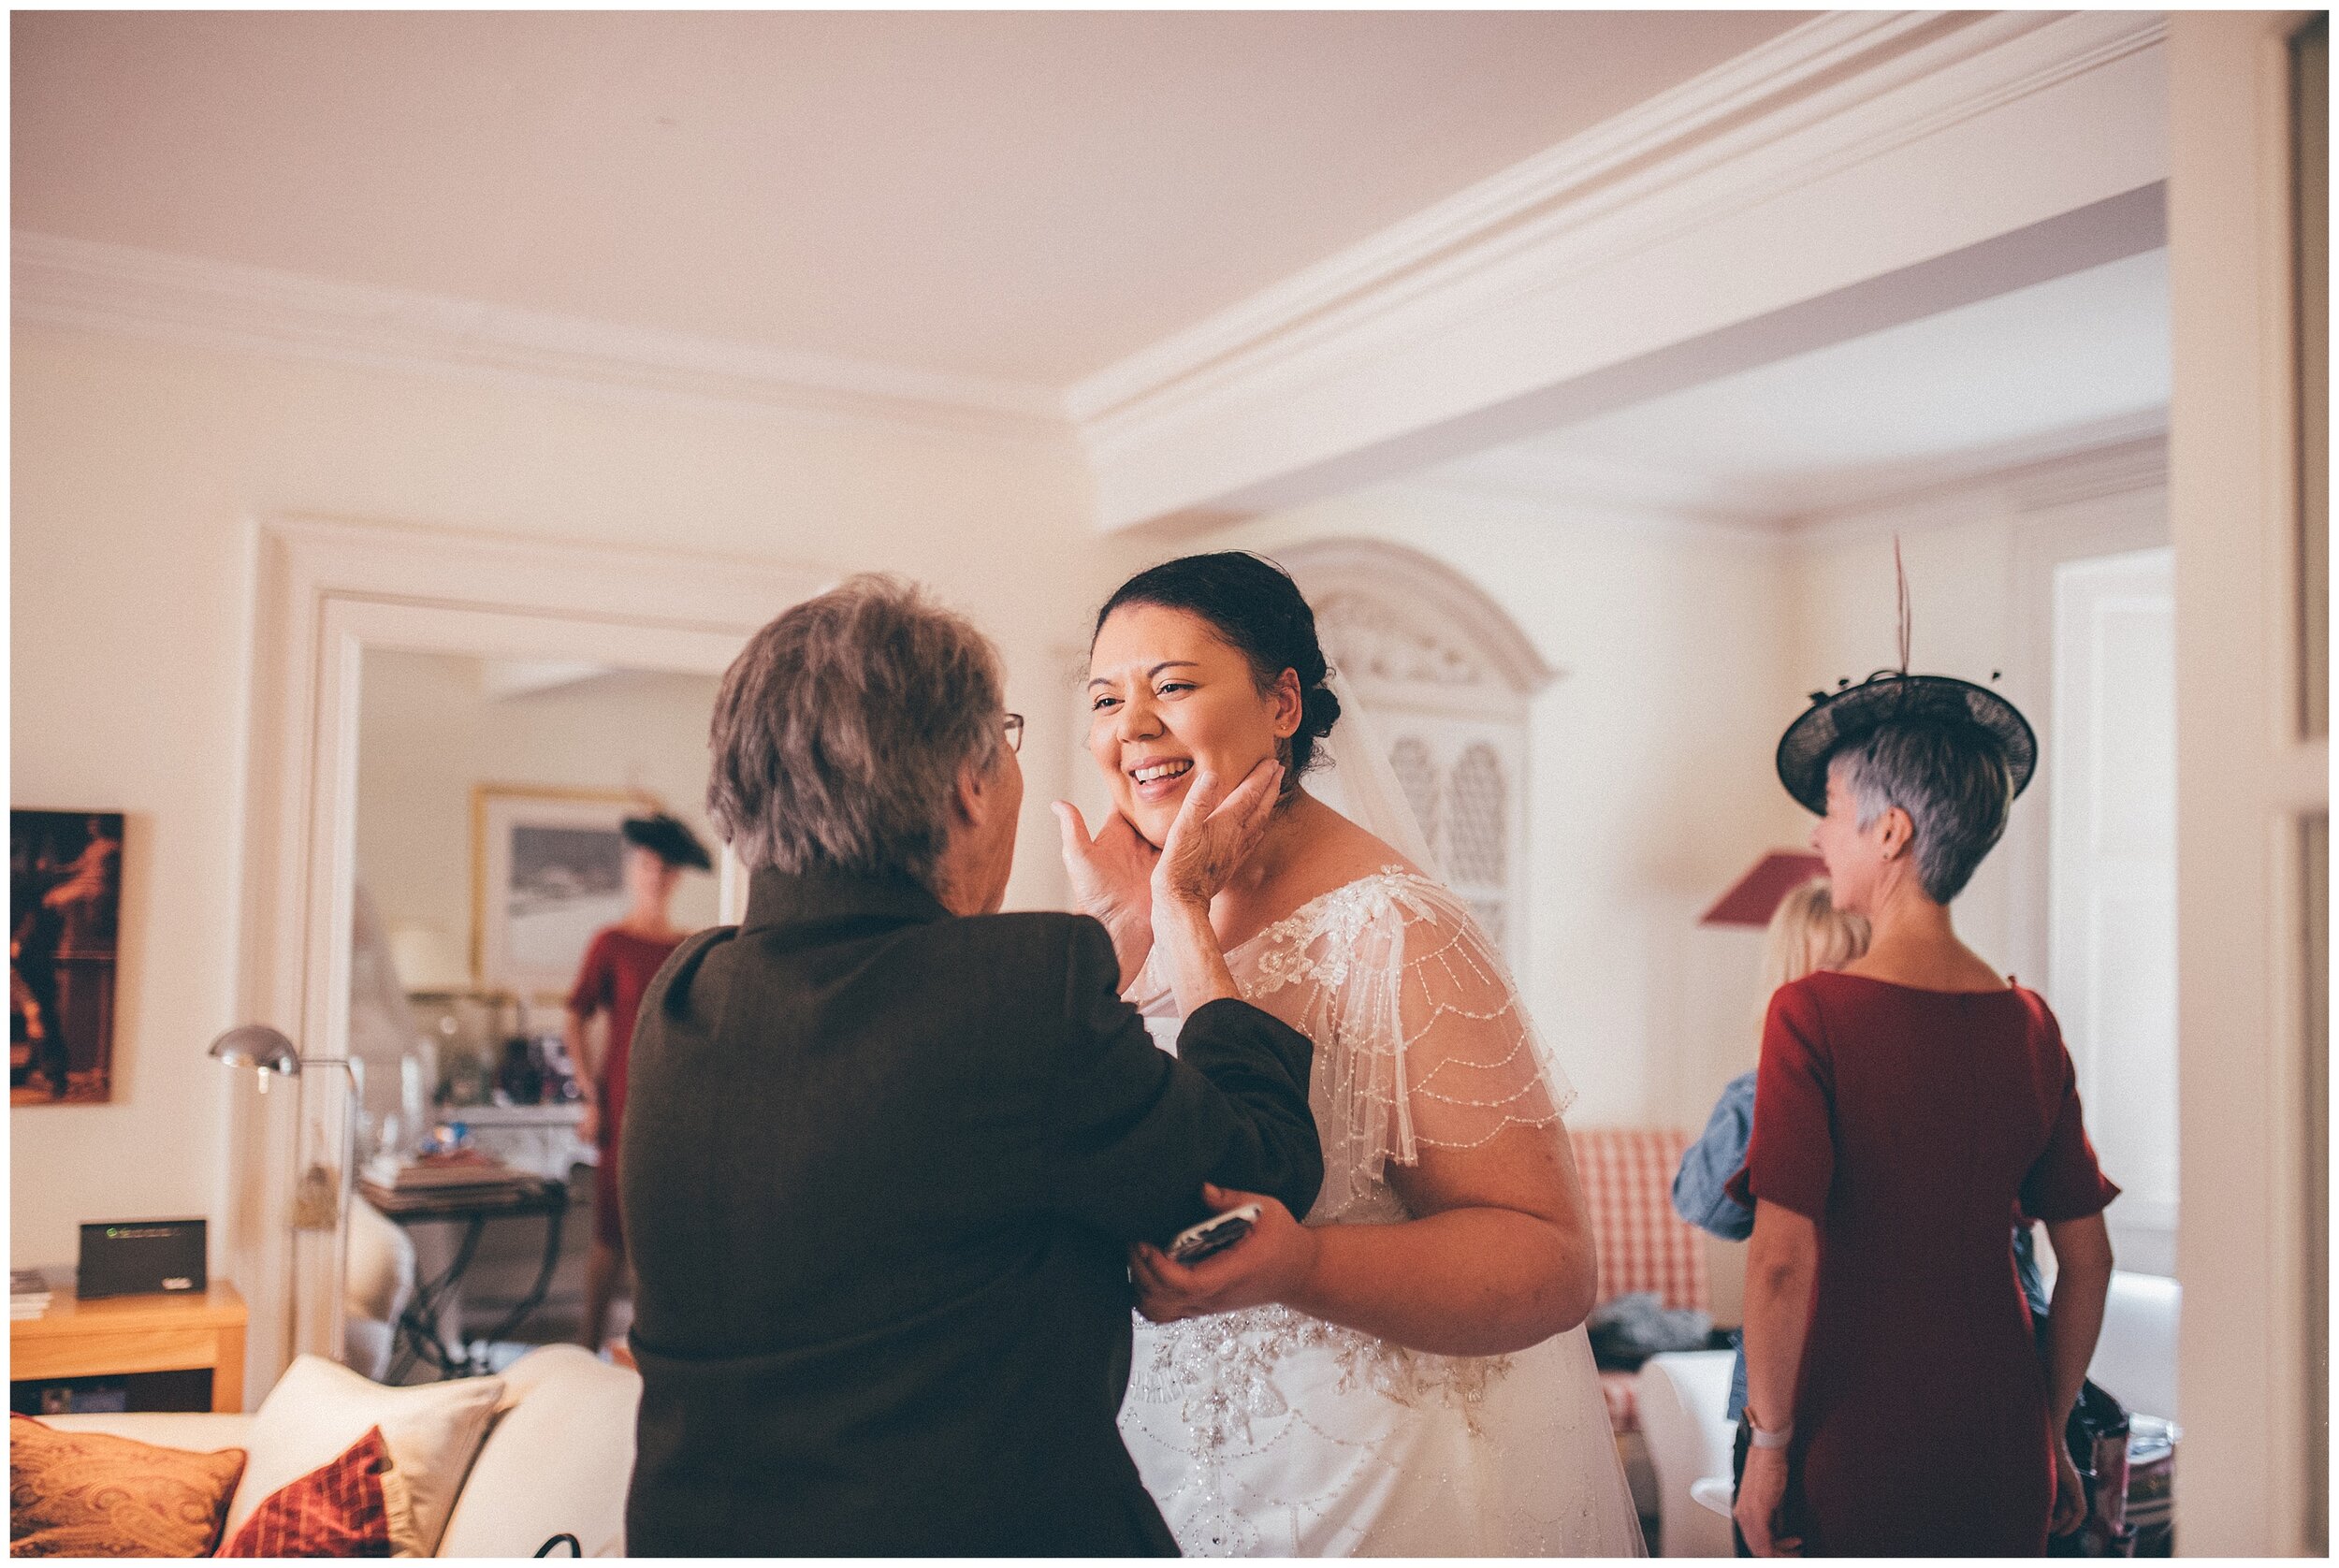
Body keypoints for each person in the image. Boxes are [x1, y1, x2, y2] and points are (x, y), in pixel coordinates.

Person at [620, 575, 1325, 1557]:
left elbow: (929, 1097)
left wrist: (1108, 946)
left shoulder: (688, 994)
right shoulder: (1016, 1000)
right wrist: (1181, 911)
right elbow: (1259, 1173)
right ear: (967, 781)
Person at [1060, 551, 1644, 1556]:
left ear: (1283, 699)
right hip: (1160, 1469)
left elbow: (1548, 1261)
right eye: (1107, 696)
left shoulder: (1393, 928)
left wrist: (1308, 1260)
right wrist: (1120, 938)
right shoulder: (1144, 921)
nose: (1132, 726)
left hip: (1366, 1483)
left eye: (1174, 686)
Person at [1730, 673, 2119, 1556]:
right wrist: (2051, 1429)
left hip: (1854, 1432)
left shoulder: (1811, 1013)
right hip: (2005, 1436)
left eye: (1831, 809)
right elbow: (2088, 1261)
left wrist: (1770, 1448)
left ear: (1892, 830)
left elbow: (1781, 1264)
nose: (1817, 834)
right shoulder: (2030, 1022)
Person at [564, 810, 711, 1353]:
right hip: (621, 1104)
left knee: (665, 1234)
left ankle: (655, 1355)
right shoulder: (611, 943)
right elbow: (575, 1014)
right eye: (648, 864)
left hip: (676, 1106)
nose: (657, 875)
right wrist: (588, 1092)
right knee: (610, 1237)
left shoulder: (691, 946)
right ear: (634, 869)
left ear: (676, 878)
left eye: (667, 868)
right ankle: (586, 1349)